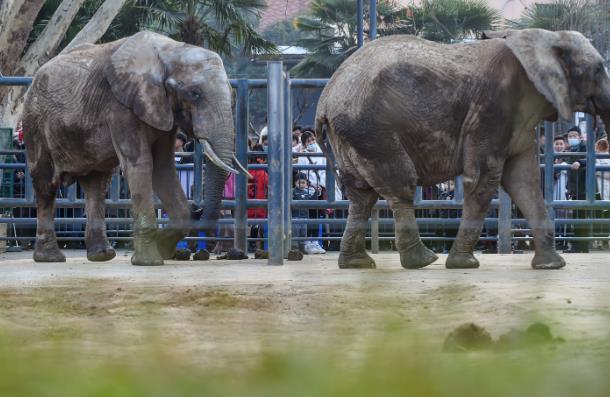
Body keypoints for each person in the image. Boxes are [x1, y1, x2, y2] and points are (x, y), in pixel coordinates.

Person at [565, 126, 590, 253]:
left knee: (582, 217)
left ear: (580, 136)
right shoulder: (569, 150)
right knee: (576, 217)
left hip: (584, 188)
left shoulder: (585, 146)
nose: (572, 138)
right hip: (575, 189)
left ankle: (582, 246)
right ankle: (577, 245)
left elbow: (591, 157)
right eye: (570, 136)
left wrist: (580, 162)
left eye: (574, 136)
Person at [292, 173, 324, 254]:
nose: (301, 184)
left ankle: (302, 249)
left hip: (305, 217)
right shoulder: (293, 191)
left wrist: (317, 192)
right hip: (295, 217)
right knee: (295, 234)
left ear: (306, 183)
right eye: (299, 182)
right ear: (295, 183)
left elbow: (312, 199)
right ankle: (295, 249)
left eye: (303, 183)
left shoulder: (307, 192)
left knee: (303, 234)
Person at [247, 144, 268, 251]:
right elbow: (268, 185)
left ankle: (251, 243)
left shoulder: (247, 171)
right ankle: (255, 244)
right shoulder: (263, 172)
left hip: (247, 204)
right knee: (258, 224)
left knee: (251, 224)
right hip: (259, 205)